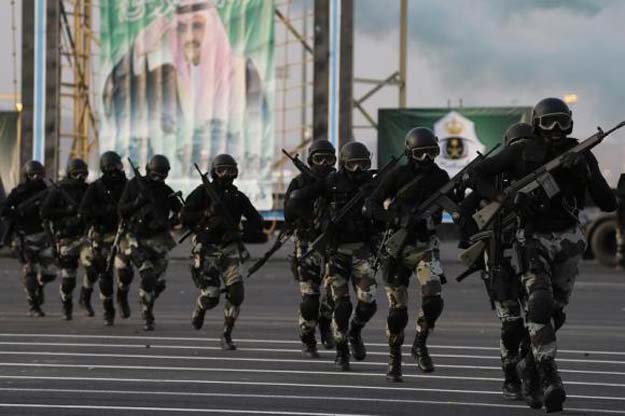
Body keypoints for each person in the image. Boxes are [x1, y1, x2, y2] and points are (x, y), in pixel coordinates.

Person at [469, 98, 616, 412]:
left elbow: (607, 203)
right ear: (537, 124)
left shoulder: (582, 155)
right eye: (549, 121)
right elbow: (477, 174)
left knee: (554, 315)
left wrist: (585, 173)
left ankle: (529, 365)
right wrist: (505, 199)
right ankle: (549, 377)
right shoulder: (522, 152)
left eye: (562, 121)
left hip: (569, 242)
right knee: (539, 303)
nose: (556, 129)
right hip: (532, 238)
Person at [364, 127, 449, 381]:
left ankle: (420, 342)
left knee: (433, 299)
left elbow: (456, 203)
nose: (426, 159)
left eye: (431, 152)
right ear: (410, 153)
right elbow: (371, 205)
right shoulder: (397, 175)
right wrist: (397, 218)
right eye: (420, 153)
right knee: (397, 312)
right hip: (397, 248)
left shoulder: (441, 176)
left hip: (425, 246)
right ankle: (394, 357)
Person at [298, 141, 379, 371]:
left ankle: (355, 331)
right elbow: (299, 199)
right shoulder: (331, 183)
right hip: (336, 252)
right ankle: (342, 350)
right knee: (340, 305)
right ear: (343, 163)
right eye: (352, 164)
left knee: (368, 301)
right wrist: (320, 224)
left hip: (363, 250)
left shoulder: (372, 184)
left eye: (362, 164)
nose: (357, 169)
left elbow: (389, 206)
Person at [181, 154, 263, 350]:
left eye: (231, 170)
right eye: (221, 170)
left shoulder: (238, 196)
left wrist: (242, 231)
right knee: (211, 297)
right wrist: (206, 214)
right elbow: (184, 217)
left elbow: (256, 221)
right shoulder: (202, 192)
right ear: (213, 172)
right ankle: (200, 307)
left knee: (236, 292)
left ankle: (226, 334)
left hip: (230, 249)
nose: (226, 174)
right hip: (207, 247)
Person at [283, 140, 337, 357]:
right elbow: (289, 213)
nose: (324, 163)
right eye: (318, 159)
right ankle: (308, 336)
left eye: (329, 159)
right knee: (310, 297)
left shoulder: (339, 181)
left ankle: (325, 324)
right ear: (310, 161)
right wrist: (316, 188)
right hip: (308, 245)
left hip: (334, 244)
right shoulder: (299, 183)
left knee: (335, 293)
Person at [118, 154, 182, 330]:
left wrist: (170, 222)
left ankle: (146, 300)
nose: (158, 179)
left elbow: (182, 212)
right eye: (155, 174)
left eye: (162, 175)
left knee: (158, 283)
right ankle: (147, 313)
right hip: (135, 237)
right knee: (146, 274)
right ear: (147, 170)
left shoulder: (166, 191)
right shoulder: (134, 186)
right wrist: (137, 204)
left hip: (158, 239)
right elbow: (122, 210)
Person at [79, 151, 133, 326]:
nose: (114, 170)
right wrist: (104, 213)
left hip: (123, 232)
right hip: (102, 234)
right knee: (104, 274)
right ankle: (108, 309)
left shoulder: (128, 185)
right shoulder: (96, 187)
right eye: (110, 167)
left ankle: (122, 296)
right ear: (103, 168)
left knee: (124, 269)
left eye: (116, 166)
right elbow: (84, 211)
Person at [0, 161, 56, 316]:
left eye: (39, 174)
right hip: (24, 236)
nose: (36, 178)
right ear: (27, 175)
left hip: (44, 236)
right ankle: (33, 305)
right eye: (33, 174)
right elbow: (4, 210)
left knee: (49, 273)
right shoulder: (19, 192)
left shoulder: (47, 192)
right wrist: (20, 214)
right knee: (29, 271)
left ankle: (40, 285)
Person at [40, 159, 90, 321]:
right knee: (68, 278)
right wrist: (66, 211)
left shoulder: (88, 190)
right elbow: (45, 212)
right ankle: (66, 305)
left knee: (94, 266)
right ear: (70, 173)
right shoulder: (59, 189)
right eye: (76, 173)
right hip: (66, 238)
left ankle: (85, 296)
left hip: (85, 237)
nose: (79, 177)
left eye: (83, 174)